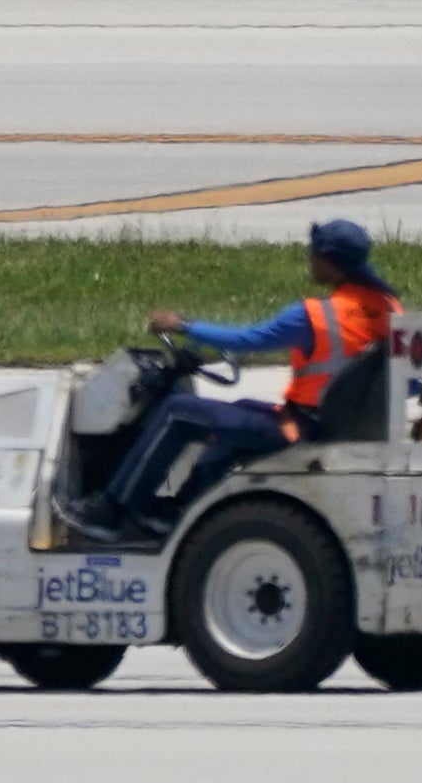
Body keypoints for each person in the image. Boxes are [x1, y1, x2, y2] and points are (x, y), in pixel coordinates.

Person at [63, 219, 400, 544]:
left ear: (330, 260)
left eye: (313, 253)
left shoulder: (316, 315)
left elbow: (247, 339)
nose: (309, 259)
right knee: (237, 413)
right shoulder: (390, 309)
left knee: (177, 411)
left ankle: (112, 511)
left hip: (303, 429)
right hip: (340, 428)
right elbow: (405, 383)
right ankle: (176, 512)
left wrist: (184, 325)